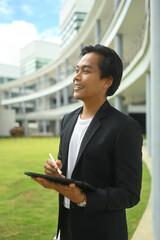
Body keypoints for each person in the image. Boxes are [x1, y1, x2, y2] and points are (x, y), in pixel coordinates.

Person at [32, 44, 143, 240]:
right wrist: (55, 171)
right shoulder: (68, 119)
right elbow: (67, 169)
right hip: (66, 228)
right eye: (76, 71)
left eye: (86, 71)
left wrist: (83, 198)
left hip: (102, 232)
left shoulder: (125, 127)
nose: (76, 77)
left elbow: (129, 193)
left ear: (107, 81)